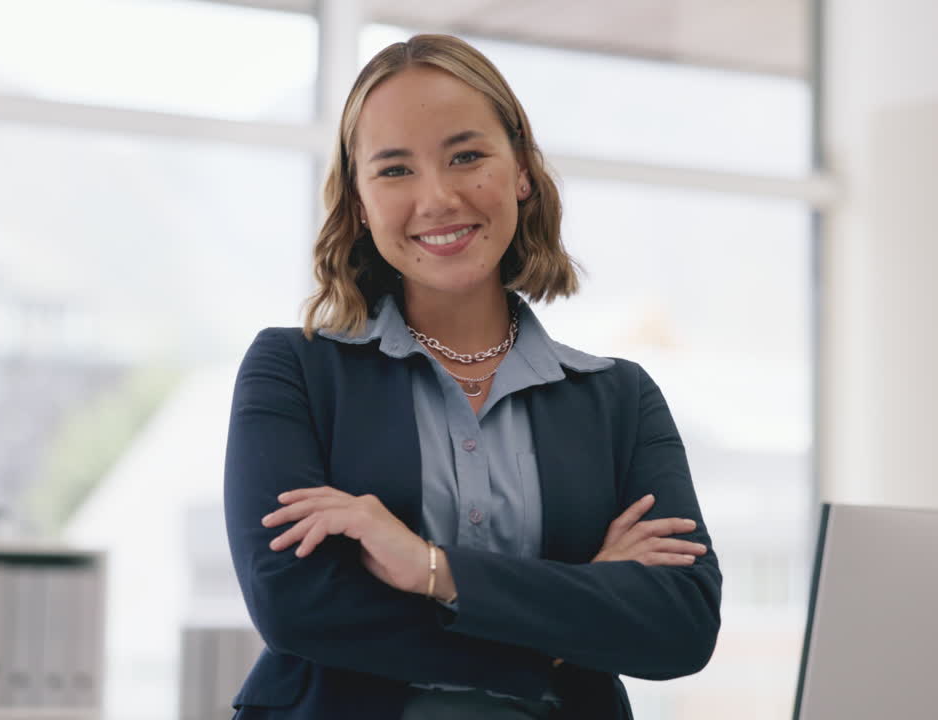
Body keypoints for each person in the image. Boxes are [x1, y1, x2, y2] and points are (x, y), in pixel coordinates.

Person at [224, 33, 721, 720]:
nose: (437, 198)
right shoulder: (294, 372)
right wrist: (569, 625)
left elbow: (681, 624)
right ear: (360, 202)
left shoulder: (620, 399)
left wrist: (431, 567)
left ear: (521, 171)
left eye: (466, 157)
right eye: (395, 170)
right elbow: (297, 607)